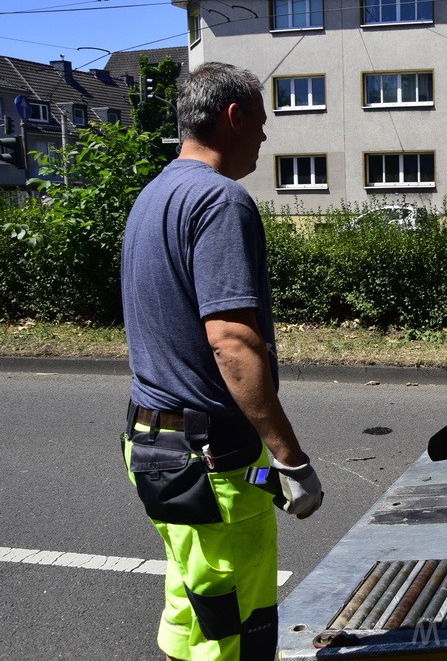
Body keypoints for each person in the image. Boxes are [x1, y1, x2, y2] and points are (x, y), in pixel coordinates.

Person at [120, 61, 323, 661]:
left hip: (152, 448)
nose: (264, 137)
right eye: (260, 124)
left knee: (197, 601)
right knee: (238, 628)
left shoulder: (153, 197)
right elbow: (232, 340)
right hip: (215, 462)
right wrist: (289, 460)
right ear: (234, 117)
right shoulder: (219, 201)